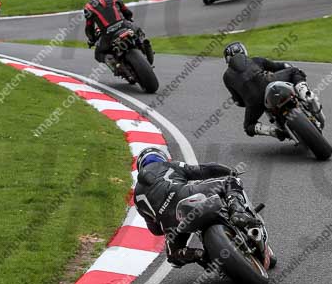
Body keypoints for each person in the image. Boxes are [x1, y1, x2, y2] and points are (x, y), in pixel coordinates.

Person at [134, 147, 268, 267]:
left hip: (170, 223)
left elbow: (156, 231)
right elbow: (204, 170)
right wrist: (230, 171)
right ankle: (237, 212)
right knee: (230, 182)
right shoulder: (170, 165)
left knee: (173, 255)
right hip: (184, 195)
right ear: (160, 158)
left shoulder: (137, 197)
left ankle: (200, 255)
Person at [222, 42, 321, 139]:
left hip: (253, 101)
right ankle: (306, 94)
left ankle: (273, 132)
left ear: (227, 59)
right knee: (294, 71)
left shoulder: (226, 77)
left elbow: (238, 101)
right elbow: (280, 66)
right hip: (268, 82)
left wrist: (247, 100)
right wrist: (287, 68)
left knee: (248, 126)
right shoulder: (256, 60)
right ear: (243, 51)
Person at [84, 0, 136, 70]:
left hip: (108, 35)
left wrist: (92, 40)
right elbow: (127, 12)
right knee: (138, 31)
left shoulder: (89, 6)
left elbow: (89, 27)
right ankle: (144, 45)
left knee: (98, 54)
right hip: (124, 26)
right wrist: (129, 19)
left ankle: (114, 64)